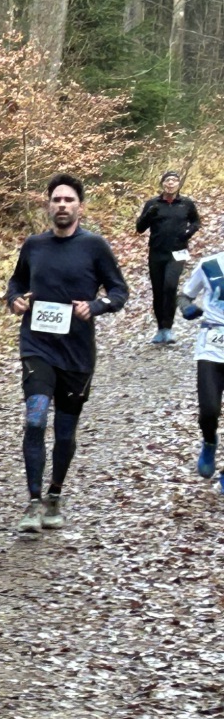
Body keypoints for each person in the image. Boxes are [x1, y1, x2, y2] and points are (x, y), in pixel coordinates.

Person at [4, 173, 129, 532]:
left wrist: (97, 306)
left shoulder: (94, 247)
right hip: (37, 347)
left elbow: (119, 291)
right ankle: (32, 502)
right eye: (56, 199)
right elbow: (16, 282)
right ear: (48, 205)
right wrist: (14, 300)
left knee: (64, 432)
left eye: (68, 200)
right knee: (35, 419)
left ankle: (54, 496)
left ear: (80, 207)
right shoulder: (34, 245)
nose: (62, 205)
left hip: (76, 353)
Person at [177, 236, 224, 488]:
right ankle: (209, 441)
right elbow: (184, 295)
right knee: (209, 411)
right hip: (211, 348)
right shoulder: (210, 265)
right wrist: (187, 308)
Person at [135, 170, 200, 344]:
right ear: (162, 183)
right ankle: (160, 330)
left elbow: (196, 222)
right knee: (158, 290)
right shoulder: (153, 204)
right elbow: (140, 228)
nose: (170, 183)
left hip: (178, 252)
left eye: (174, 180)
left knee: (170, 286)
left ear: (178, 184)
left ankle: (169, 328)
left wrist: (188, 233)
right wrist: (149, 214)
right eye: (167, 180)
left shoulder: (186, 203)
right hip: (157, 252)